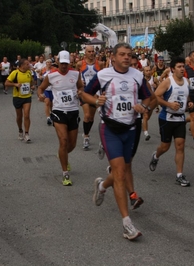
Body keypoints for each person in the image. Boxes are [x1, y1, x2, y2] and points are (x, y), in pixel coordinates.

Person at [82, 43, 151, 240]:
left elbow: (149, 98)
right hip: (110, 128)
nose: (126, 58)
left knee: (124, 168)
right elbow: (84, 93)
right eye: (122, 54)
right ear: (113, 57)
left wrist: (143, 107)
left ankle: (103, 186)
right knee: (120, 173)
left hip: (131, 129)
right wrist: (96, 101)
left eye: (129, 55)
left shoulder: (137, 76)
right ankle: (127, 224)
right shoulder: (103, 75)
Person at [38, 51, 83, 186]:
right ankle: (65, 174)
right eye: (62, 63)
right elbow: (41, 88)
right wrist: (40, 95)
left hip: (73, 111)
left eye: (66, 63)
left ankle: (62, 155)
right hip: (58, 111)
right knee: (63, 141)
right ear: (57, 62)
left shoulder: (75, 74)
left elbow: (80, 86)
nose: (64, 66)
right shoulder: (51, 76)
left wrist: (80, 91)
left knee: (72, 144)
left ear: (69, 62)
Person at [148, 57, 193, 187]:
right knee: (165, 147)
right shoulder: (168, 82)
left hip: (180, 118)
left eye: (183, 66)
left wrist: (189, 102)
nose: (182, 69)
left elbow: (186, 95)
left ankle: (179, 175)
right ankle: (156, 156)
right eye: (179, 67)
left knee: (180, 145)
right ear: (173, 69)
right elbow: (155, 96)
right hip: (166, 118)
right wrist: (169, 104)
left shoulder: (186, 81)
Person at [77, 45, 105, 150]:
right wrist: (80, 84)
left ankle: (86, 132)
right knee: (87, 115)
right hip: (84, 93)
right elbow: (77, 76)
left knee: (92, 118)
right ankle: (86, 137)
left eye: (93, 51)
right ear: (85, 53)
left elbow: (104, 77)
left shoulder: (100, 64)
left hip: (95, 93)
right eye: (89, 51)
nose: (92, 53)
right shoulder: (80, 64)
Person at [5, 59, 35, 142]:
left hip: (27, 97)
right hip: (17, 97)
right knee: (19, 116)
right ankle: (20, 130)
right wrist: (15, 84)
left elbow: (31, 82)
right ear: (21, 65)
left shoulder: (29, 72)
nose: (28, 65)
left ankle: (27, 133)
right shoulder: (15, 73)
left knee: (26, 115)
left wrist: (32, 86)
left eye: (28, 64)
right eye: (27, 64)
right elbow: (6, 83)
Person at [142, 65, 158, 141]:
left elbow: (159, 90)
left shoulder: (154, 79)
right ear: (144, 72)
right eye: (146, 71)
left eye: (149, 70)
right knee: (145, 116)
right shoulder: (142, 80)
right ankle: (146, 133)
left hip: (152, 100)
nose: (148, 72)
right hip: (144, 100)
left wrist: (156, 86)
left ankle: (142, 125)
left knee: (147, 117)